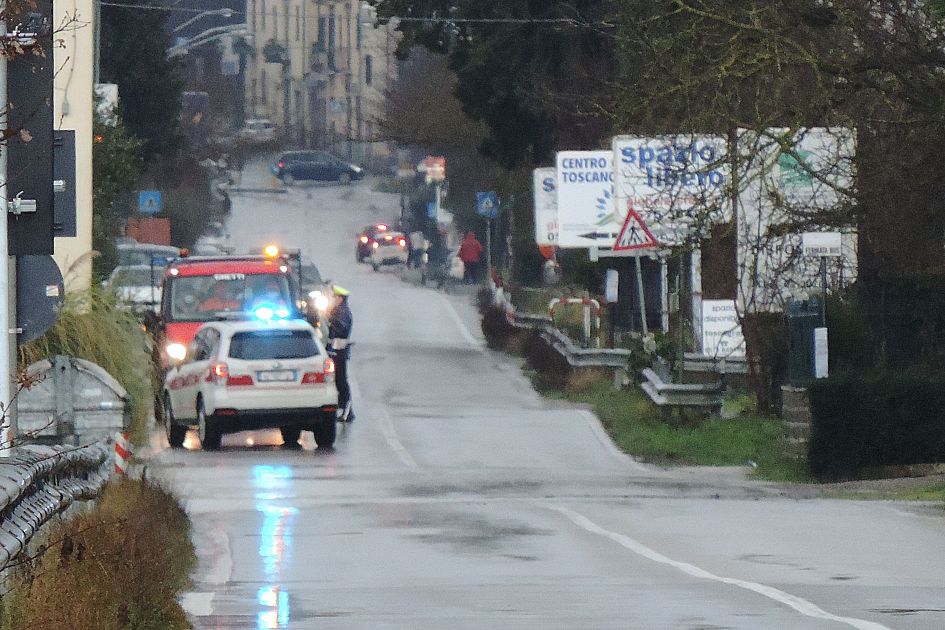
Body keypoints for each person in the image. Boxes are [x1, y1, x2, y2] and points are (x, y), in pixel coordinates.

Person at [326, 284, 354, 422]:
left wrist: (330, 319)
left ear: (341, 298)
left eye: (335, 297)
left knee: (342, 381)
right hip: (334, 351)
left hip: (340, 351)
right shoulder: (337, 310)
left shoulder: (343, 312)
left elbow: (340, 329)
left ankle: (348, 411)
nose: (333, 299)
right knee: (337, 380)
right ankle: (343, 407)